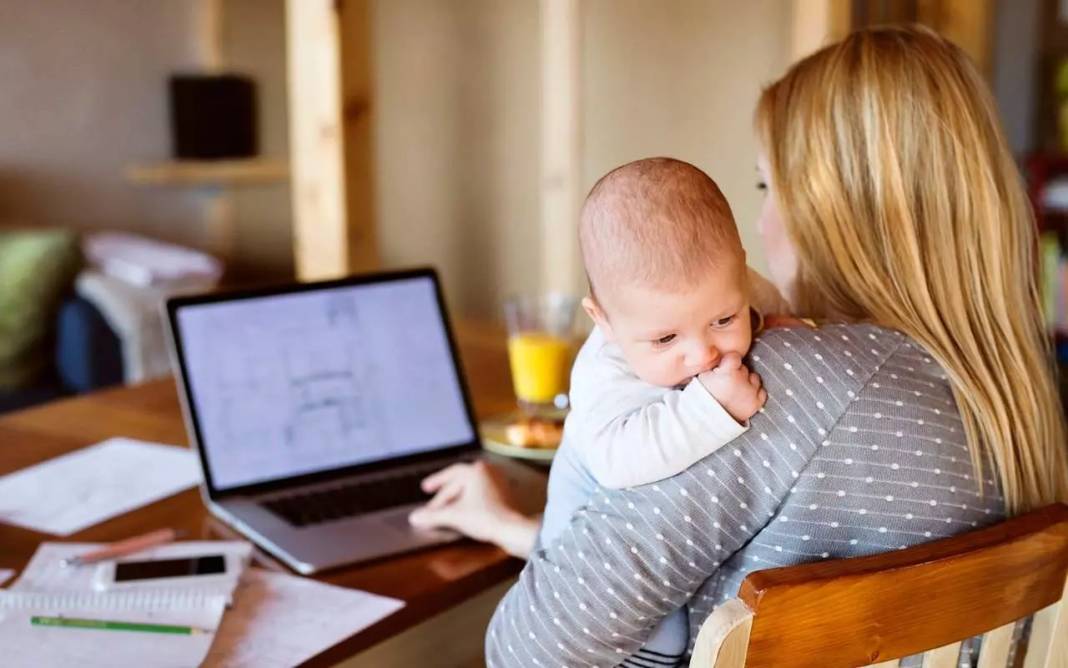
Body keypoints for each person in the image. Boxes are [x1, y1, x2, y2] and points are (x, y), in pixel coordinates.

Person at [416, 25, 1068, 666]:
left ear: (830, 210)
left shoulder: (780, 385)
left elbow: (532, 647)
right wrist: (513, 530)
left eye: (765, 187)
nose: (759, 223)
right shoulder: (1018, 398)